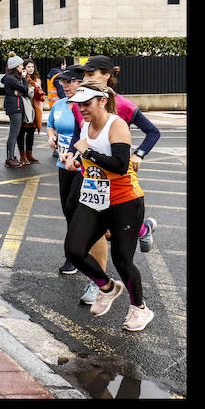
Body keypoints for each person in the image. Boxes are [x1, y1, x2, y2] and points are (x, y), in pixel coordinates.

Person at [61, 81, 153, 332]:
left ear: (102, 101)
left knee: (122, 259)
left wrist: (87, 153)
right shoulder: (86, 124)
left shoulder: (117, 125)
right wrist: (74, 160)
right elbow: (85, 157)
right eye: (79, 105)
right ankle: (107, 287)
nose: (82, 109)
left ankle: (140, 309)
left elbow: (121, 165)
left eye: (87, 104)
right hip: (94, 197)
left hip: (125, 200)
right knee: (74, 250)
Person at [69, 55, 161, 305]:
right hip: (92, 179)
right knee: (75, 230)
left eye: (90, 75)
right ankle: (100, 282)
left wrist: (139, 153)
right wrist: (73, 154)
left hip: (120, 185)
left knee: (121, 251)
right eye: (84, 76)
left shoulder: (122, 108)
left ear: (106, 76)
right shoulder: (82, 104)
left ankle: (141, 229)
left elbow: (153, 132)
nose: (84, 80)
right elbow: (79, 137)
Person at [45, 64, 84, 275]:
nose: (64, 85)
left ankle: (75, 256)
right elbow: (50, 125)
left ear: (80, 83)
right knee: (68, 211)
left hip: (82, 168)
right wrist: (51, 136)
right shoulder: (59, 105)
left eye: (69, 81)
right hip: (63, 165)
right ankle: (76, 253)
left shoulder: (87, 106)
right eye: (62, 81)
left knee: (76, 211)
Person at [2, 53, 30, 168]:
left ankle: (12, 156)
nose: (22, 66)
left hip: (16, 106)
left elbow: (22, 90)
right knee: (13, 134)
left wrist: (19, 91)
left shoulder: (12, 78)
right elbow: (25, 89)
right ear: (16, 66)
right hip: (15, 107)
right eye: (21, 65)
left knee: (15, 132)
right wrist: (24, 79)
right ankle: (9, 158)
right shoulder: (11, 78)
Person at [19, 58, 45, 165]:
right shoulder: (22, 78)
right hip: (24, 108)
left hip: (34, 108)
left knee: (31, 132)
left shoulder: (36, 80)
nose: (31, 69)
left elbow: (39, 94)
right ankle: (22, 156)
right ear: (24, 68)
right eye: (28, 67)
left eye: (32, 67)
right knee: (21, 132)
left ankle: (29, 154)